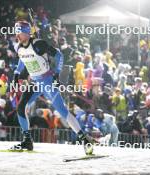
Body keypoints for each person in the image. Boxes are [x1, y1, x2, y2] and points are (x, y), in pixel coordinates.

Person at [11, 21, 93, 154]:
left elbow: (59, 55)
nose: (17, 35)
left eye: (19, 32)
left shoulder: (38, 44)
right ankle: (27, 141)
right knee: (21, 107)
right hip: (35, 83)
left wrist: (56, 73)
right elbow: (22, 58)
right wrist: (16, 74)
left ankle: (85, 140)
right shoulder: (18, 47)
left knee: (62, 110)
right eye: (16, 32)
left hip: (47, 81)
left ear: (26, 32)